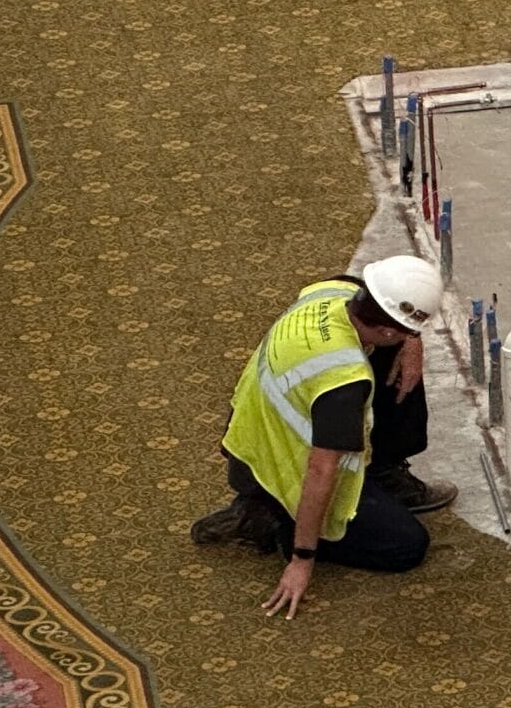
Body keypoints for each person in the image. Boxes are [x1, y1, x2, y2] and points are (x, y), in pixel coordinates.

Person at [190, 255, 457, 618]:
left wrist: (410, 342)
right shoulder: (342, 382)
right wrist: (302, 559)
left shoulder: (334, 292)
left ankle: (383, 475)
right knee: (407, 545)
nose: (412, 335)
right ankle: (271, 523)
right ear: (387, 328)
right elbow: (321, 470)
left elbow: (371, 303)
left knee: (395, 355)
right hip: (275, 475)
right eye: (409, 329)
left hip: (253, 440)